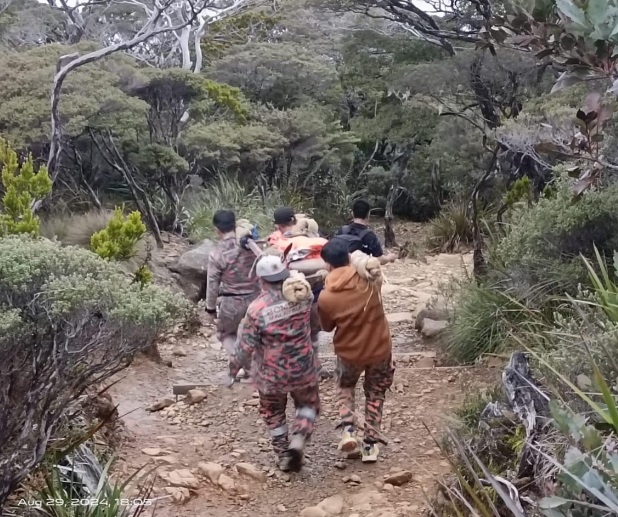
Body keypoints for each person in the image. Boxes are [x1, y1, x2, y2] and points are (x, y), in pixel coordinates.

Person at [228, 255, 320, 472]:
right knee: (308, 405)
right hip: (304, 369)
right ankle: (298, 439)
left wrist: (233, 370)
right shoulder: (303, 297)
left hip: (271, 375)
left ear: (260, 280)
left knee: (272, 411)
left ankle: (282, 452)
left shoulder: (256, 309)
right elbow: (314, 323)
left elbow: (244, 347)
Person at [317, 237, 394, 463]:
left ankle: (349, 430)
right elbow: (365, 261)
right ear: (349, 258)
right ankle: (370, 445)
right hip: (380, 348)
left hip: (349, 353)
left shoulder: (326, 297)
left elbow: (327, 327)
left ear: (328, 265)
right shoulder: (372, 281)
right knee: (376, 393)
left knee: (345, 386)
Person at [205, 210, 260, 368]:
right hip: (257, 298)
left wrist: (210, 309)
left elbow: (212, 284)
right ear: (235, 225)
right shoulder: (252, 245)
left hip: (232, 301)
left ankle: (244, 363)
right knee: (259, 333)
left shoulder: (217, 253)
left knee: (226, 333)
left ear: (217, 230)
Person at [335, 199, 397, 264]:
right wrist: (389, 258)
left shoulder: (342, 230)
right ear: (368, 214)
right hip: (360, 271)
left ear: (352, 213)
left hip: (341, 270)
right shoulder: (370, 235)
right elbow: (379, 259)